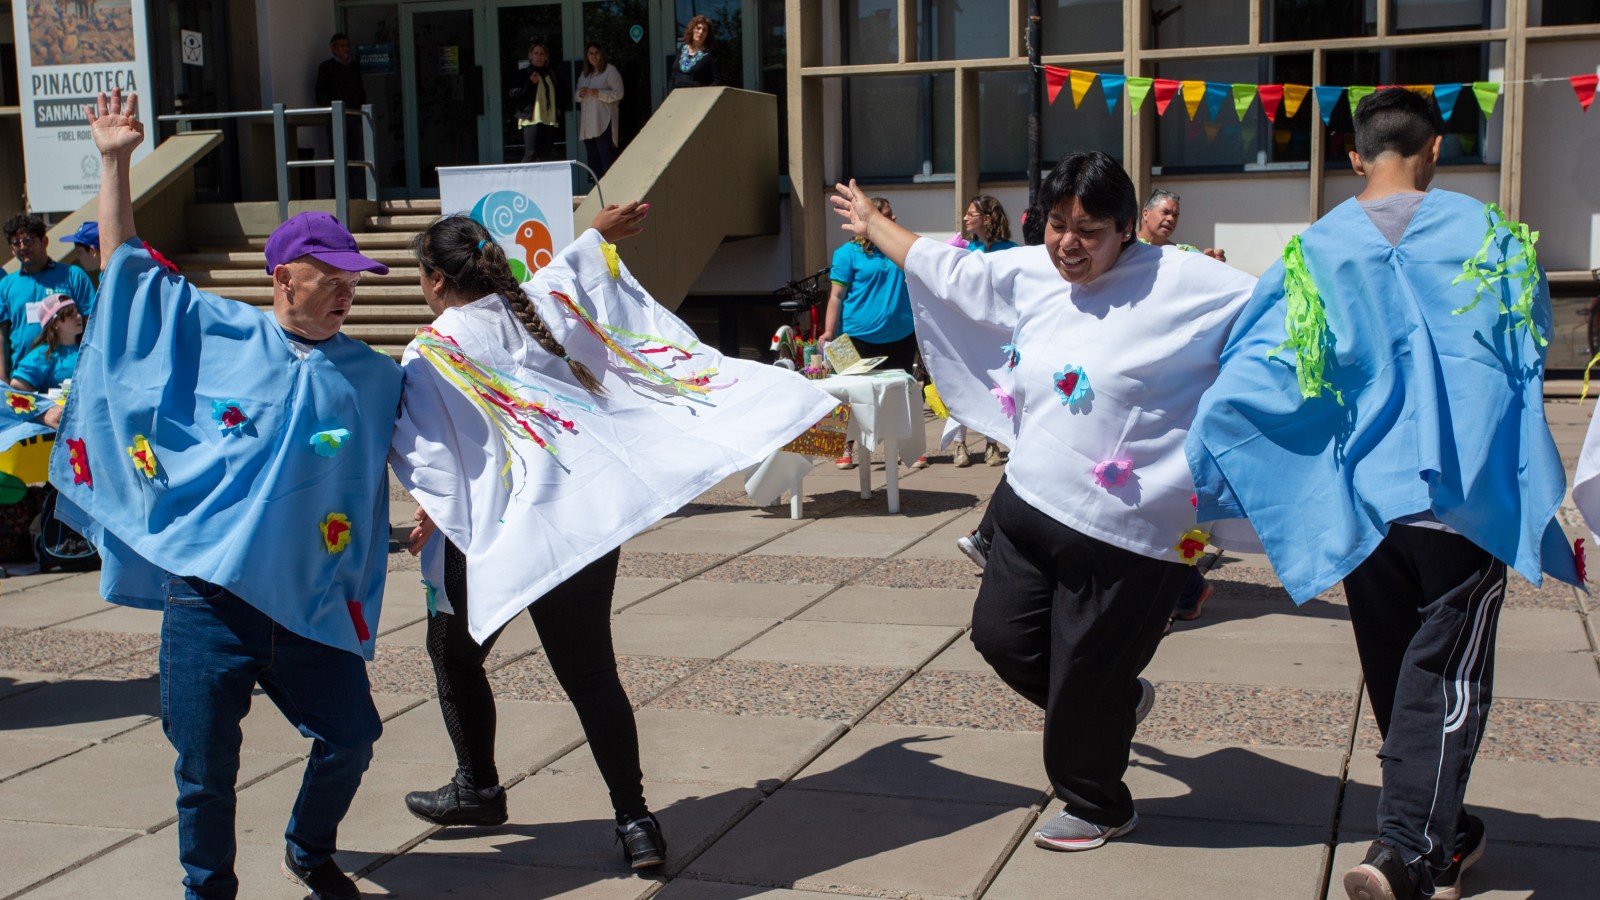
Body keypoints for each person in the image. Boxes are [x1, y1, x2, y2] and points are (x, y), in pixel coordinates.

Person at [1187, 88, 1579, 900]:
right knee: (1445, 681)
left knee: (1401, 677)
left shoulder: (1314, 250)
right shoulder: (1491, 234)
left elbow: (1259, 359)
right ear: (1434, 150)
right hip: (1462, 498)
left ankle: (1445, 834)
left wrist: (1209, 447)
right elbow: (1528, 342)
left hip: (1365, 501)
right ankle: (1405, 852)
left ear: (1355, 156)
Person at [832, 152, 1257, 852]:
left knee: (1086, 674)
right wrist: (875, 223)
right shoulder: (1033, 270)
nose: (1069, 244)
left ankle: (1098, 803)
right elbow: (951, 271)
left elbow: (1289, 311)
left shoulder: (1187, 281)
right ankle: (1115, 704)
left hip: (1131, 535)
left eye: (1089, 230)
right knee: (1002, 639)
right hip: (1030, 506)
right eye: (1058, 225)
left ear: (1127, 228)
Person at [389, 207, 835, 869]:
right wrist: (595, 233)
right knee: (590, 675)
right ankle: (635, 822)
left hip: (507, 531)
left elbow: (434, 456)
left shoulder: (433, 349)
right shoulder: (535, 305)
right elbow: (571, 276)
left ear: (433, 281)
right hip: (586, 517)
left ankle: (477, 786)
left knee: (452, 653)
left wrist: (436, 509)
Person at [57, 90, 401, 900]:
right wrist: (115, 163)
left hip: (309, 602)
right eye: (331, 277)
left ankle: (309, 849)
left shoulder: (378, 375)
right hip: (207, 602)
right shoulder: (219, 331)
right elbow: (128, 270)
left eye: (354, 280)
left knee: (351, 738)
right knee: (204, 770)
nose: (347, 292)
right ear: (284, 279)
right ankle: (207, 890)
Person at [820, 196, 926, 470]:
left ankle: (907, 447)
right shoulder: (847, 253)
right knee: (846, 394)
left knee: (901, 394)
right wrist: (828, 331)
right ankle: (843, 446)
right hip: (855, 336)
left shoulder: (899, 248)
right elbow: (836, 296)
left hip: (900, 334)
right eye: (888, 215)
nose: (894, 219)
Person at [946, 195, 1017, 467]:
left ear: (987, 219)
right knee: (962, 383)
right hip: (966, 327)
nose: (965, 218)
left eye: (971, 214)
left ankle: (992, 444)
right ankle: (959, 444)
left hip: (997, 329)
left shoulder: (1010, 250)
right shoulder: (964, 249)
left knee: (997, 387)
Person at [0, 214, 96, 382]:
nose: (22, 247)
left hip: (68, 376)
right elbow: (1, 334)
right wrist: (2, 378)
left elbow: (92, 324)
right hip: (23, 378)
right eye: (16, 243)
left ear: (44, 241)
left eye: (28, 240)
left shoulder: (73, 276)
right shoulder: (6, 284)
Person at [314, 33, 367, 199]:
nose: (346, 49)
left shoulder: (354, 67)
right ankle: (338, 194)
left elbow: (360, 91)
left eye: (347, 45)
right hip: (337, 118)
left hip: (355, 116)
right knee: (338, 156)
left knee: (357, 156)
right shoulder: (326, 67)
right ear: (333, 48)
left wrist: (361, 108)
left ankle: (358, 194)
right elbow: (319, 94)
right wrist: (331, 110)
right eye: (342, 45)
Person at [9, 293, 81, 392]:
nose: (78, 317)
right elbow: (17, 383)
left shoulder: (88, 348)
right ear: (54, 323)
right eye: (70, 315)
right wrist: (44, 401)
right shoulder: (44, 353)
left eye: (77, 312)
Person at [576, 43, 625, 179]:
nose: (593, 56)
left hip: (603, 122)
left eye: (596, 53)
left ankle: (610, 187)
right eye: (590, 53)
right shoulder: (585, 74)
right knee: (593, 161)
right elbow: (576, 95)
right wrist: (580, 94)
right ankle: (597, 188)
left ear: (602, 54)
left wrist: (598, 93)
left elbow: (619, 93)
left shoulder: (610, 70)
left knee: (606, 158)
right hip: (588, 126)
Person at [511, 41, 565, 163]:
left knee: (546, 155)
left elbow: (559, 93)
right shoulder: (524, 73)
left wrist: (558, 109)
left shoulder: (551, 74)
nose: (539, 57)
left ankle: (543, 176)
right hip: (532, 119)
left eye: (541, 54)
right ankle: (521, 175)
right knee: (531, 153)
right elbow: (514, 93)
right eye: (536, 53)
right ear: (530, 55)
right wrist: (530, 83)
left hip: (548, 119)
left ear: (546, 57)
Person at [1137, 189, 1225, 262]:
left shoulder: (1186, 253)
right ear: (1146, 214)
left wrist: (1211, 262)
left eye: (1175, 215)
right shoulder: (1129, 249)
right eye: (1165, 212)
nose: (1171, 219)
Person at [669, 15, 719, 90]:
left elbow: (717, 81)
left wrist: (704, 93)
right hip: (677, 95)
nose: (700, 32)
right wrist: (670, 95)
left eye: (704, 30)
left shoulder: (709, 55)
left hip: (696, 95)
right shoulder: (681, 49)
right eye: (698, 28)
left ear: (707, 34)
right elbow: (673, 77)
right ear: (692, 29)